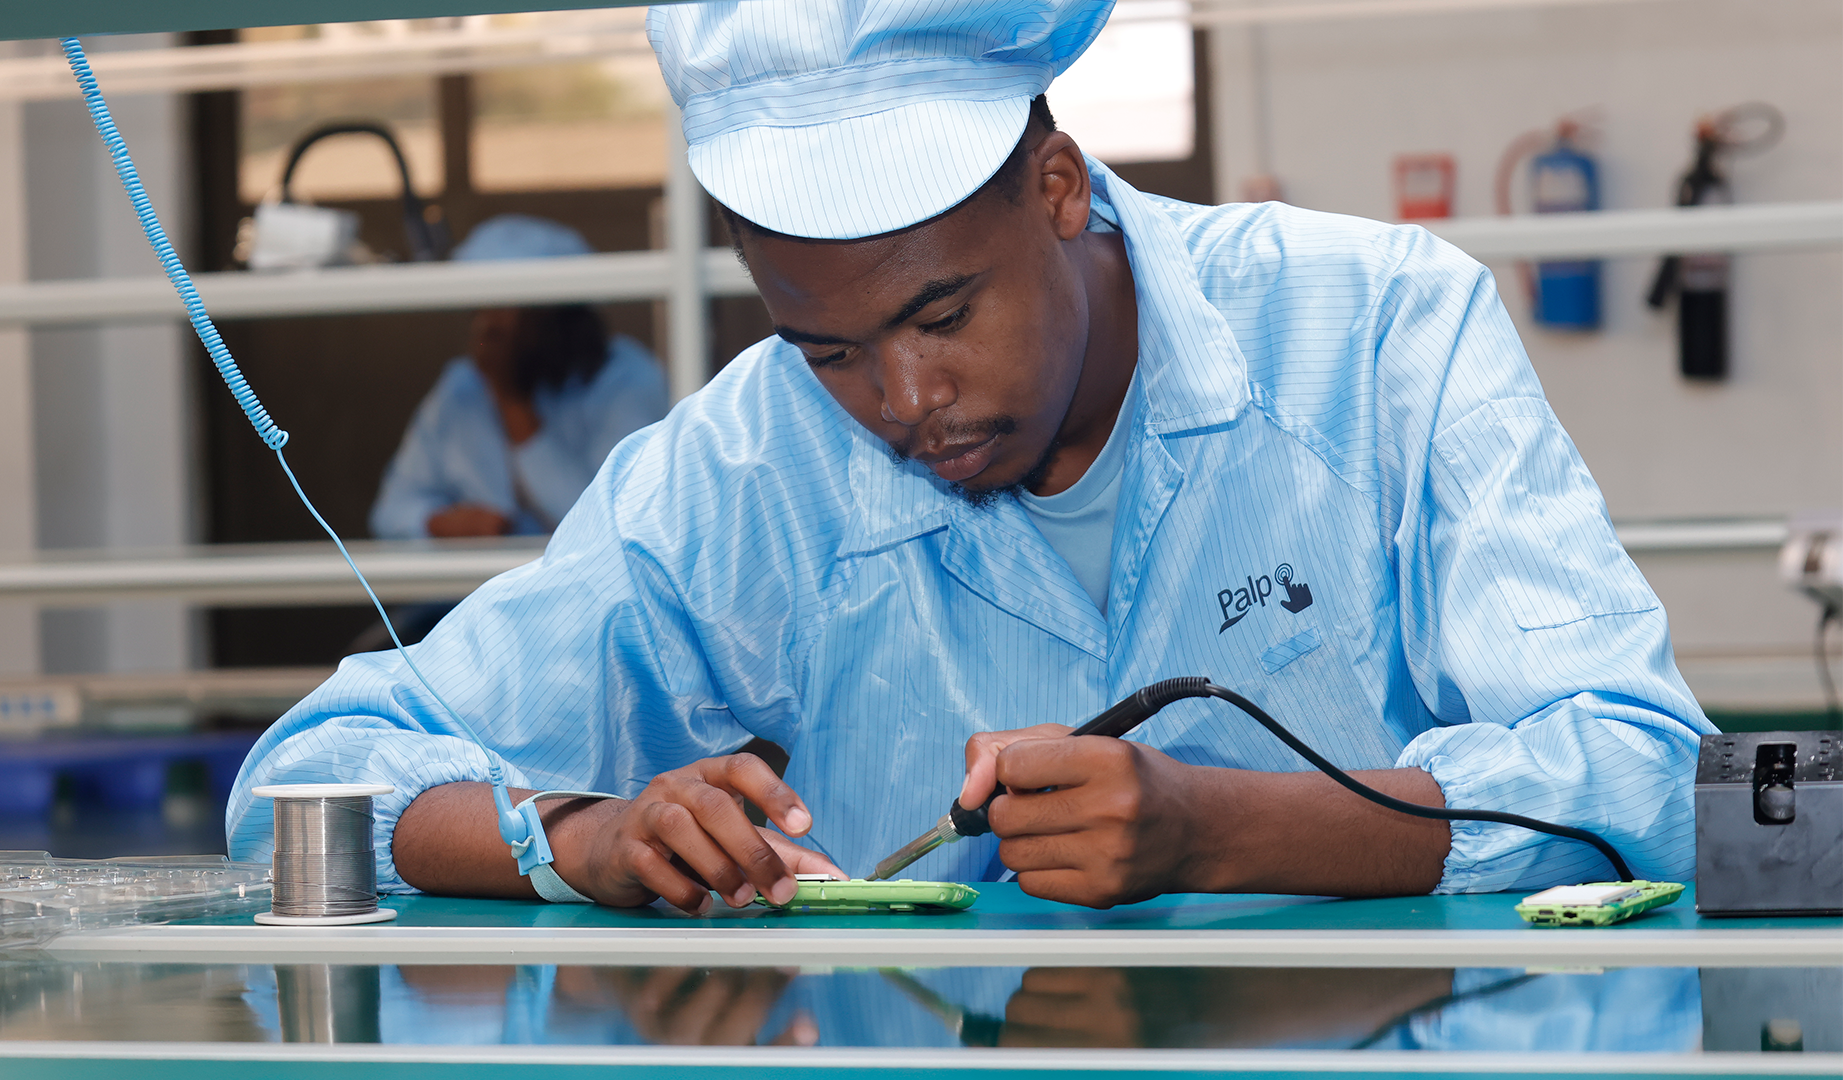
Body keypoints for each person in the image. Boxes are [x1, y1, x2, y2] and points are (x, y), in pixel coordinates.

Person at [231, 0, 1712, 913]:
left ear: (1058, 188)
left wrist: (1223, 828)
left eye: (942, 313)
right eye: (831, 347)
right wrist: (577, 833)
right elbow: (308, 779)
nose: (904, 398)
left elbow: (1642, 768)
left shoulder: (1380, 333)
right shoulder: (758, 460)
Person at [369, 214, 670, 541]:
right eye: (481, 312)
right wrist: (437, 523)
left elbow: (600, 523)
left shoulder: (627, 381)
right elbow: (390, 512)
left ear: (560, 317)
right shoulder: (463, 387)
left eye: (506, 314)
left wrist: (512, 402)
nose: (488, 333)